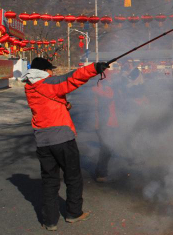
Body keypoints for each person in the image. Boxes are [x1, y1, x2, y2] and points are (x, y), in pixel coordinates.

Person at [21, 58, 109, 231]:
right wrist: (94, 68)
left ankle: (50, 221)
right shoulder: (49, 83)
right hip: (62, 139)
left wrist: (64, 104)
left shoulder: (30, 87)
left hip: (42, 141)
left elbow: (47, 103)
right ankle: (74, 213)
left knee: (49, 181)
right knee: (73, 177)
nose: (52, 73)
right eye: (50, 70)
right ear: (45, 71)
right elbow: (72, 78)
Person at [92, 70, 119, 183]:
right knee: (106, 148)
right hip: (103, 124)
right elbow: (108, 98)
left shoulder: (106, 87)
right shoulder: (100, 89)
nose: (113, 80)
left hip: (110, 123)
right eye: (111, 78)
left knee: (109, 148)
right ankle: (101, 174)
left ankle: (102, 172)